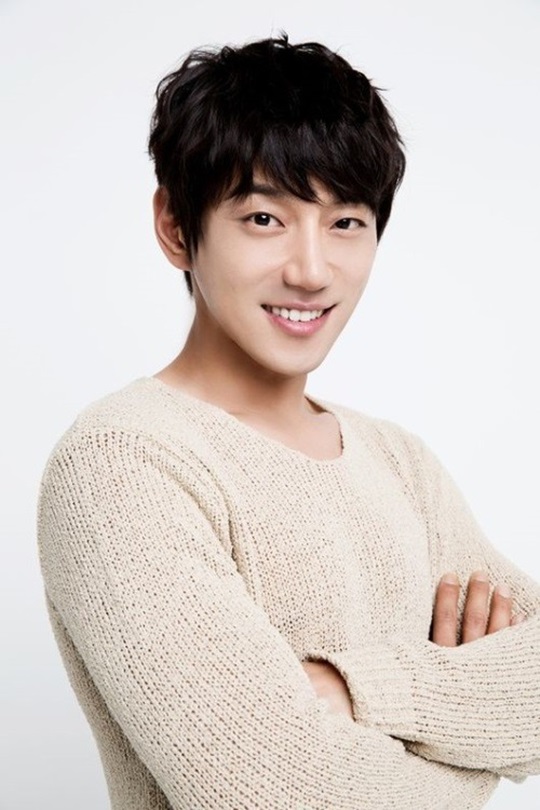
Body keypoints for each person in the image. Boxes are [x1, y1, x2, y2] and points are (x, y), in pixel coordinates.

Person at [38, 35, 540, 809]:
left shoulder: (398, 460)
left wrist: (359, 689)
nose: (310, 270)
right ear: (175, 226)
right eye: (265, 217)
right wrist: (479, 745)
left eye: (346, 222)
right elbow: (272, 791)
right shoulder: (122, 461)